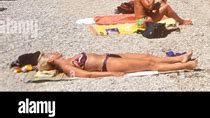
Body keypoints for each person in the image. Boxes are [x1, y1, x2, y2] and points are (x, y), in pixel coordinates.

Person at [36, 50, 198, 77]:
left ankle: (180, 58)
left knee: (148, 57)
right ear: (51, 59)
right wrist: (111, 73)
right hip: (109, 65)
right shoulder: (65, 66)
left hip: (111, 56)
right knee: (149, 65)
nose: (53, 52)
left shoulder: (67, 60)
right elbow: (88, 74)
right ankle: (186, 66)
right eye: (50, 54)